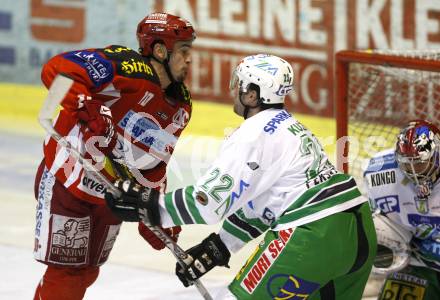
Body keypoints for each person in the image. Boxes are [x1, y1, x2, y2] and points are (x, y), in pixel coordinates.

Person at [105, 54, 377, 299]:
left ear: (252, 95)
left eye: (240, 84)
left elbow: (207, 203)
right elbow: (265, 205)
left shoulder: (253, 135)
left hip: (315, 235)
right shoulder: (292, 126)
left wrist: (150, 205)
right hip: (359, 231)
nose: (234, 90)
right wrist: (219, 246)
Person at [33, 12, 196, 300]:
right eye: (184, 51)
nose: (189, 60)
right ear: (160, 50)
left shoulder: (180, 104)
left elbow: (154, 163)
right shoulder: (124, 65)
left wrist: (156, 210)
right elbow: (58, 70)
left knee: (87, 271)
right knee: (66, 274)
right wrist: (88, 108)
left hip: (112, 196)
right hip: (69, 177)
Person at [364, 120, 440, 300]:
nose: (413, 171)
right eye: (406, 164)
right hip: (415, 262)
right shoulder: (381, 174)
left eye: (419, 164)